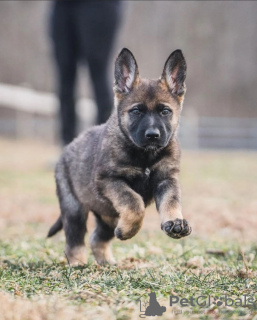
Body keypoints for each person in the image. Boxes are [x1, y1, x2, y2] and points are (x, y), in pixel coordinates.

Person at [49, 0, 122, 145]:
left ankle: (105, 146)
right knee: (65, 76)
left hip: (99, 5)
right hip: (63, 6)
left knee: (98, 72)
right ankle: (67, 148)